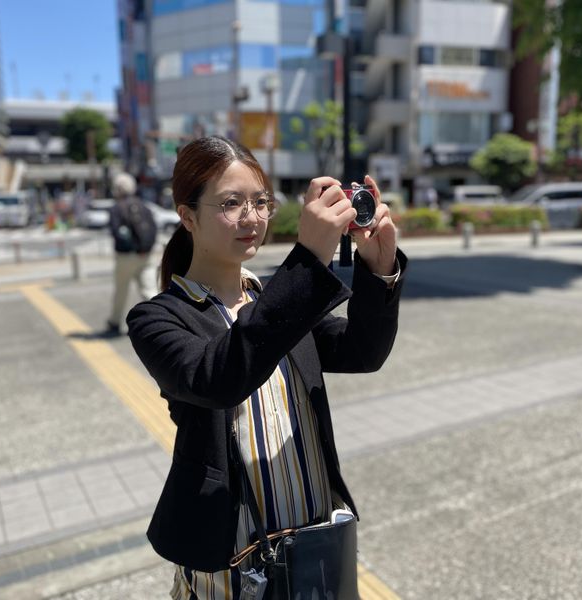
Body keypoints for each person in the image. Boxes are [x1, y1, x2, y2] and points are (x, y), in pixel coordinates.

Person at [126, 136, 406, 598]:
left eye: (261, 202)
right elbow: (217, 378)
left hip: (314, 544)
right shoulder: (158, 317)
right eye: (230, 203)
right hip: (231, 564)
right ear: (187, 216)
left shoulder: (274, 300)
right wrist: (309, 260)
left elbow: (362, 351)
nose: (252, 217)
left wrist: (380, 270)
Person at [106, 172, 158, 336]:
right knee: (150, 291)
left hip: (126, 257)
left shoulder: (116, 208)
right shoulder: (144, 207)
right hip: (146, 255)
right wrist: (145, 248)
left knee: (121, 291)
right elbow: (154, 229)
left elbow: (115, 232)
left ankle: (115, 322)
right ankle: (160, 321)